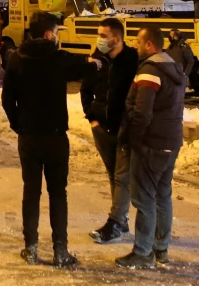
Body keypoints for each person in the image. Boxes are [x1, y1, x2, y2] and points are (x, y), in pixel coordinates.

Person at [1, 11, 89, 268]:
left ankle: (30, 248)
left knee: (31, 192)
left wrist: (19, 125)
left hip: (29, 138)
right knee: (57, 194)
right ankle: (60, 250)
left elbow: (7, 99)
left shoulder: (17, 58)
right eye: (58, 32)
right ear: (49, 34)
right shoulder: (59, 58)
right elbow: (84, 69)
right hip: (55, 137)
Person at [116, 25, 188, 269]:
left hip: (151, 143)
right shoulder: (173, 66)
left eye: (138, 41)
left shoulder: (149, 72)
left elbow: (142, 112)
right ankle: (161, 248)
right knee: (162, 195)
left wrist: (134, 140)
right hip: (171, 141)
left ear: (149, 44)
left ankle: (143, 252)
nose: (135, 46)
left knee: (144, 198)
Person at [80, 17, 139, 244]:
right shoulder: (97, 59)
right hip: (101, 128)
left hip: (124, 128)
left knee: (122, 177)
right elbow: (85, 89)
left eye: (103, 36)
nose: (99, 39)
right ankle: (121, 220)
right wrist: (91, 117)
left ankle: (114, 223)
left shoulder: (133, 59)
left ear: (116, 38)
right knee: (113, 174)